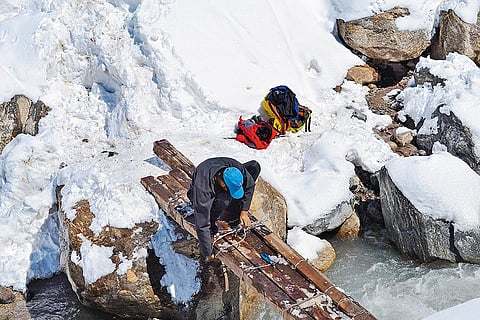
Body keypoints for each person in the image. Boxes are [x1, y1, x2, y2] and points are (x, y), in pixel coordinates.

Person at [187, 157, 261, 260]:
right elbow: (202, 224)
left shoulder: (235, 168)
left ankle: (232, 208)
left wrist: (244, 212)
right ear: (219, 177)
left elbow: (250, 185)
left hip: (220, 180)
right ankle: (223, 215)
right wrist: (207, 252)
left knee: (254, 167)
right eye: (226, 187)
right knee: (223, 200)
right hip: (197, 193)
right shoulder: (203, 189)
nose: (228, 190)